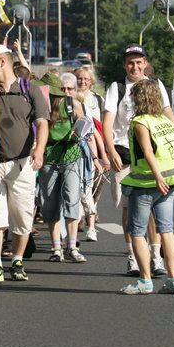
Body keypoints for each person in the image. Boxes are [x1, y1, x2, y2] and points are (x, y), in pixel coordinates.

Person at [0, 45, 49, 283]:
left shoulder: (29, 90)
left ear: (2, 62)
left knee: (22, 216)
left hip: (22, 163)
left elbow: (43, 123)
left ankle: (17, 261)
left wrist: (40, 150)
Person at [102, 44, 174, 277]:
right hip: (124, 152)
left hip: (152, 152)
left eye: (139, 62)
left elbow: (167, 114)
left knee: (152, 207)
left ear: (145, 63)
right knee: (129, 206)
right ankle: (133, 255)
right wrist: (110, 149)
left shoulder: (156, 85)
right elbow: (107, 121)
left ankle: (155, 256)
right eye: (130, 63)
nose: (135, 66)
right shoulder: (118, 87)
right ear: (125, 65)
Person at [120, 79, 174, 295]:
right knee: (166, 230)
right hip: (173, 180)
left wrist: (158, 176)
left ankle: (145, 280)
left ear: (137, 100)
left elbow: (147, 151)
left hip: (148, 182)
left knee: (138, 232)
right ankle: (172, 279)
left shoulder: (141, 122)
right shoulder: (165, 120)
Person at [38, 73, 95, 263]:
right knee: (50, 203)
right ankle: (56, 248)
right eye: (61, 90)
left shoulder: (73, 104)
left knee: (72, 199)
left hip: (71, 157)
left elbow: (87, 125)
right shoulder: (43, 106)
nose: (64, 93)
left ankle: (71, 246)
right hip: (49, 159)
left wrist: (77, 134)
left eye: (67, 89)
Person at [74, 67, 109, 241]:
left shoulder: (98, 100)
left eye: (86, 79)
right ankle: (82, 216)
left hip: (96, 143)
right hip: (77, 145)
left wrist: (104, 151)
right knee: (81, 182)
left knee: (97, 182)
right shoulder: (71, 98)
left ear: (91, 81)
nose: (82, 82)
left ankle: (91, 209)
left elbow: (102, 126)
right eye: (79, 78)